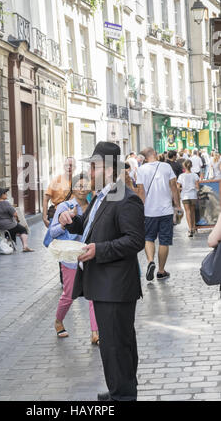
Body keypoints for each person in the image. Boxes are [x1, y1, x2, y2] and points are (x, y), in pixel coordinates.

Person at [59, 142, 145, 402]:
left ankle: (124, 395)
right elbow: (89, 227)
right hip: (104, 283)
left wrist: (99, 250)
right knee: (111, 343)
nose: (89, 171)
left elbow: (135, 241)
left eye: (93, 166)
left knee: (118, 344)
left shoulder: (126, 199)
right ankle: (120, 388)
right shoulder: (102, 196)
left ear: (107, 169)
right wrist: (71, 221)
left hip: (116, 285)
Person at [50, 173, 99, 344]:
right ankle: (58, 321)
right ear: (73, 187)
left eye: (85, 185)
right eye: (78, 185)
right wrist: (65, 221)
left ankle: (95, 332)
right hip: (70, 257)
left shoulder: (95, 205)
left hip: (89, 255)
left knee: (94, 294)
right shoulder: (64, 206)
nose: (82, 188)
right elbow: (52, 232)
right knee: (69, 295)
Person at [136, 148, 183, 281]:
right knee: (164, 241)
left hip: (149, 211)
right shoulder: (166, 166)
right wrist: (178, 205)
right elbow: (174, 187)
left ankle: (151, 261)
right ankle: (161, 271)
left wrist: (141, 209)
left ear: (145, 158)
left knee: (149, 238)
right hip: (166, 210)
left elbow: (140, 191)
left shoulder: (141, 170)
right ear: (155, 155)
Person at [0, 188, 34, 252]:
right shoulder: (6, 203)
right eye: (5, 193)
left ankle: (9, 241)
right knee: (23, 229)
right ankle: (25, 246)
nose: (6, 195)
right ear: (1, 195)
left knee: (14, 228)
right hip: (8, 225)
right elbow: (15, 214)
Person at [42, 157, 76, 228]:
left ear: (75, 167)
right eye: (67, 165)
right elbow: (45, 199)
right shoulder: (56, 180)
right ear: (64, 167)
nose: (69, 167)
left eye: (71, 165)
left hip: (72, 217)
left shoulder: (77, 182)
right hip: (56, 216)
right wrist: (44, 218)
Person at [177, 160, 200, 237]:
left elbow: (177, 187)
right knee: (193, 211)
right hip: (193, 195)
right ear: (191, 166)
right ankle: (193, 227)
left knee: (188, 212)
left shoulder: (181, 176)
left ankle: (190, 229)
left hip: (185, 196)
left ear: (184, 166)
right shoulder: (195, 175)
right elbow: (197, 187)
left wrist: (183, 189)